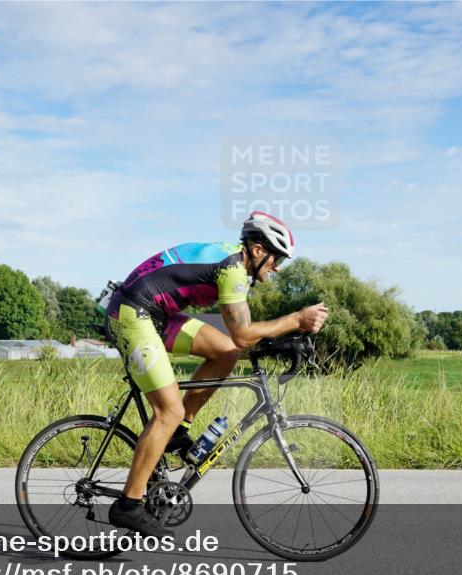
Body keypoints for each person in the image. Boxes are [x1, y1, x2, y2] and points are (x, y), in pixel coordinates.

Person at [104, 211, 328, 537]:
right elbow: (244, 334)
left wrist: (284, 339)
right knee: (168, 410)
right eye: (277, 258)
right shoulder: (233, 270)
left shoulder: (233, 261)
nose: (278, 267)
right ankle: (128, 505)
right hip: (132, 313)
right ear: (257, 250)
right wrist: (296, 320)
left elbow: (238, 342)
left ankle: (179, 430)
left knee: (226, 352)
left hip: (153, 312)